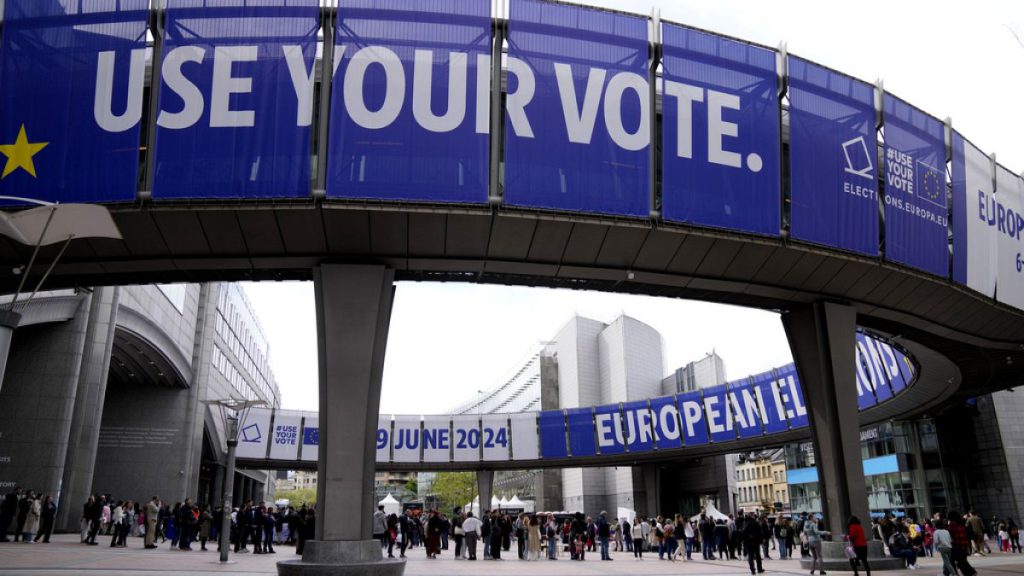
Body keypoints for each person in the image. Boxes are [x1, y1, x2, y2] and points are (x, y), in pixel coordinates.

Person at [947, 512, 977, 576]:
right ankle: (971, 572)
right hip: (964, 546)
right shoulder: (962, 525)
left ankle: (970, 572)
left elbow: (950, 537)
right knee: (962, 562)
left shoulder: (951, 526)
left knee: (955, 562)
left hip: (956, 547)